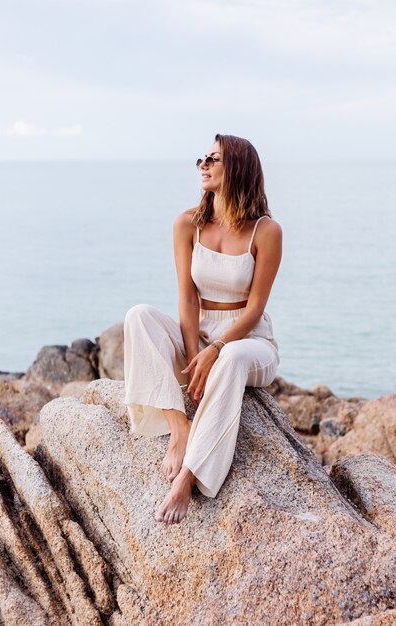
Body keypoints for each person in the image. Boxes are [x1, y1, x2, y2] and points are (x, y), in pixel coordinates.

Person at [123, 133, 282, 525]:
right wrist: (195, 352)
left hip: (251, 341)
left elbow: (256, 307)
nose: (203, 165)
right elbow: (187, 298)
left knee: (231, 356)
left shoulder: (266, 231)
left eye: (214, 159)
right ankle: (181, 428)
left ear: (239, 168)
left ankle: (189, 477)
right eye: (202, 159)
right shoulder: (187, 224)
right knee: (138, 316)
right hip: (202, 333)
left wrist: (215, 350)